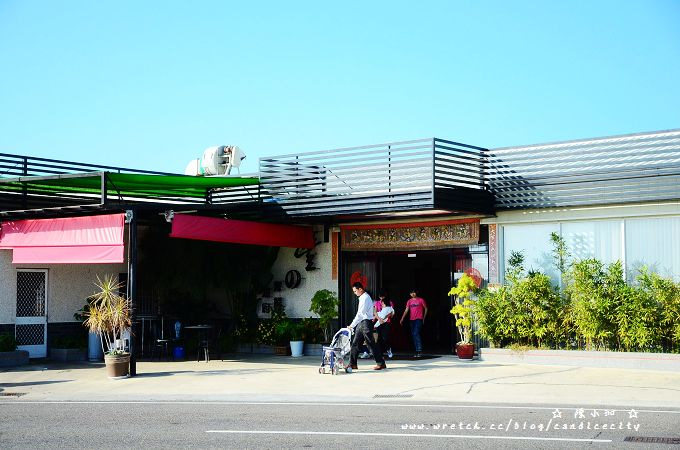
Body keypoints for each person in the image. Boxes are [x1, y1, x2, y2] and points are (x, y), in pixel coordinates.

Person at [348, 282, 387, 370]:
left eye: (355, 291)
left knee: (371, 344)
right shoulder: (362, 297)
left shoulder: (365, 298)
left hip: (365, 323)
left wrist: (352, 325)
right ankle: (352, 364)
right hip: (362, 323)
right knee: (355, 344)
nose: (354, 293)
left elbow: (360, 314)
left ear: (360, 289)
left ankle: (381, 363)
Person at [399, 289, 428, 357]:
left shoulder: (421, 300)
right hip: (412, 320)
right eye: (411, 293)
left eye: (414, 292)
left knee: (416, 333)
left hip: (419, 319)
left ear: (416, 293)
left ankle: (419, 350)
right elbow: (406, 310)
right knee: (413, 335)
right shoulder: (409, 301)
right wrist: (402, 318)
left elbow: (426, 308)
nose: (413, 294)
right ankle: (417, 350)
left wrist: (424, 318)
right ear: (410, 294)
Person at [373, 292, 394, 359]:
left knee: (385, 337)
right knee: (379, 338)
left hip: (387, 322)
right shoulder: (377, 303)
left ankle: (388, 349)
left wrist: (384, 318)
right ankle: (380, 354)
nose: (381, 298)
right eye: (380, 297)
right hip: (379, 322)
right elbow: (375, 312)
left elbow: (391, 312)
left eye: (382, 297)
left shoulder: (389, 302)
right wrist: (379, 319)